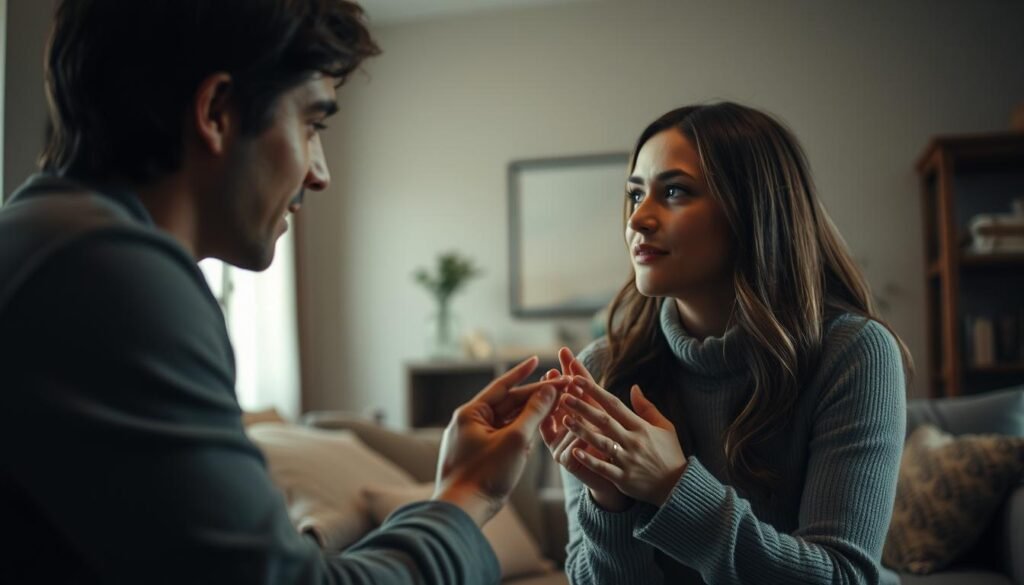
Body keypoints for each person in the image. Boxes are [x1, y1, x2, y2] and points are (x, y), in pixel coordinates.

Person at [0, 1, 568, 583]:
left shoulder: (53, 242)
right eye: (312, 124)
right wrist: (467, 497)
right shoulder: (109, 273)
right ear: (217, 112)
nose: (319, 173)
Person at [539, 102, 912, 584]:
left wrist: (673, 487)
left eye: (674, 191)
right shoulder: (605, 369)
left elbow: (843, 577)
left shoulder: (855, 354)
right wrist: (608, 504)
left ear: (752, 209)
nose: (638, 220)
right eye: (635, 195)